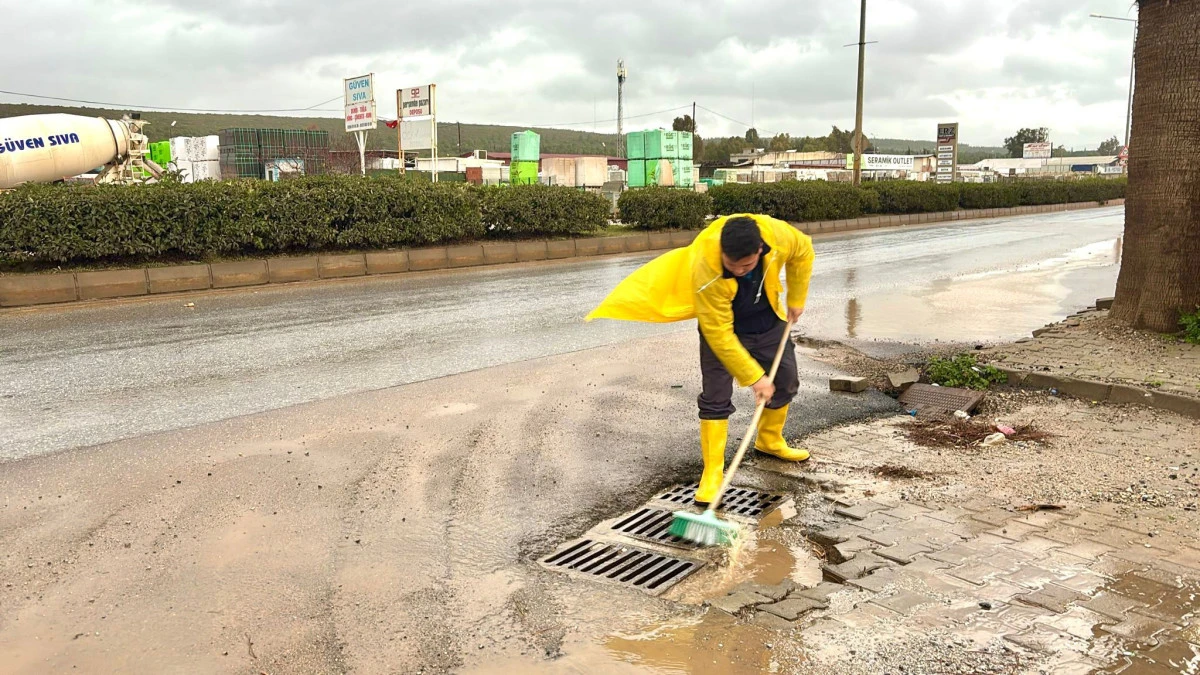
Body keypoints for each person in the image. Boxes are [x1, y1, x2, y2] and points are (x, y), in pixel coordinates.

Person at [586, 213, 815, 504]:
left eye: (746, 265)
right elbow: (718, 332)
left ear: (760, 249)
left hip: (767, 320)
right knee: (715, 396)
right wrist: (754, 378)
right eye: (732, 266)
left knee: (785, 381)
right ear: (722, 252)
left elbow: (804, 250)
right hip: (723, 328)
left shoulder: (778, 236)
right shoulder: (706, 266)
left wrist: (797, 298)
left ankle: (769, 441)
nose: (740, 271)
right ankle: (713, 473)